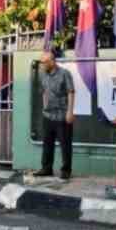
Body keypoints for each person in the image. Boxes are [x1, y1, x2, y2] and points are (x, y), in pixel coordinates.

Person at [35, 50, 75, 180]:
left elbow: (71, 92)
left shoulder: (64, 74)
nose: (42, 65)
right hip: (48, 115)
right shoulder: (43, 75)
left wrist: (70, 112)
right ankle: (46, 168)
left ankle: (66, 170)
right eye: (41, 62)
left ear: (52, 61)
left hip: (62, 115)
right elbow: (43, 92)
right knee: (47, 143)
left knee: (65, 144)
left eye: (44, 62)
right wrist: (44, 106)